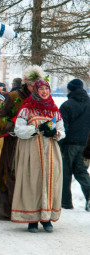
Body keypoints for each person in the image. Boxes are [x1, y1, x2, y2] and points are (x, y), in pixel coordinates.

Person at [11, 79, 65, 233]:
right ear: (35, 91)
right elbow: (19, 130)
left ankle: (46, 219)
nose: (44, 92)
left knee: (49, 183)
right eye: (41, 89)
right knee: (32, 183)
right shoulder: (26, 109)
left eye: (46, 89)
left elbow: (62, 130)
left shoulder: (54, 110)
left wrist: (56, 133)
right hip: (32, 152)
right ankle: (32, 220)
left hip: (51, 153)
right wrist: (36, 129)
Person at [0, 65, 44, 221]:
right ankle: (8, 211)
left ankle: (31, 210)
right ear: (25, 82)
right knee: (11, 176)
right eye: (31, 84)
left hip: (35, 143)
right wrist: (13, 125)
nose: (34, 87)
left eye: (37, 84)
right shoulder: (13, 96)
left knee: (32, 176)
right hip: (13, 143)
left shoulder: (43, 97)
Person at [59, 78, 90, 211]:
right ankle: (89, 197)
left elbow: (62, 127)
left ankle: (66, 203)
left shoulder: (66, 105)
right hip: (85, 143)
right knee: (82, 171)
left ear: (70, 89)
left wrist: (59, 142)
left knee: (65, 173)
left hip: (69, 144)